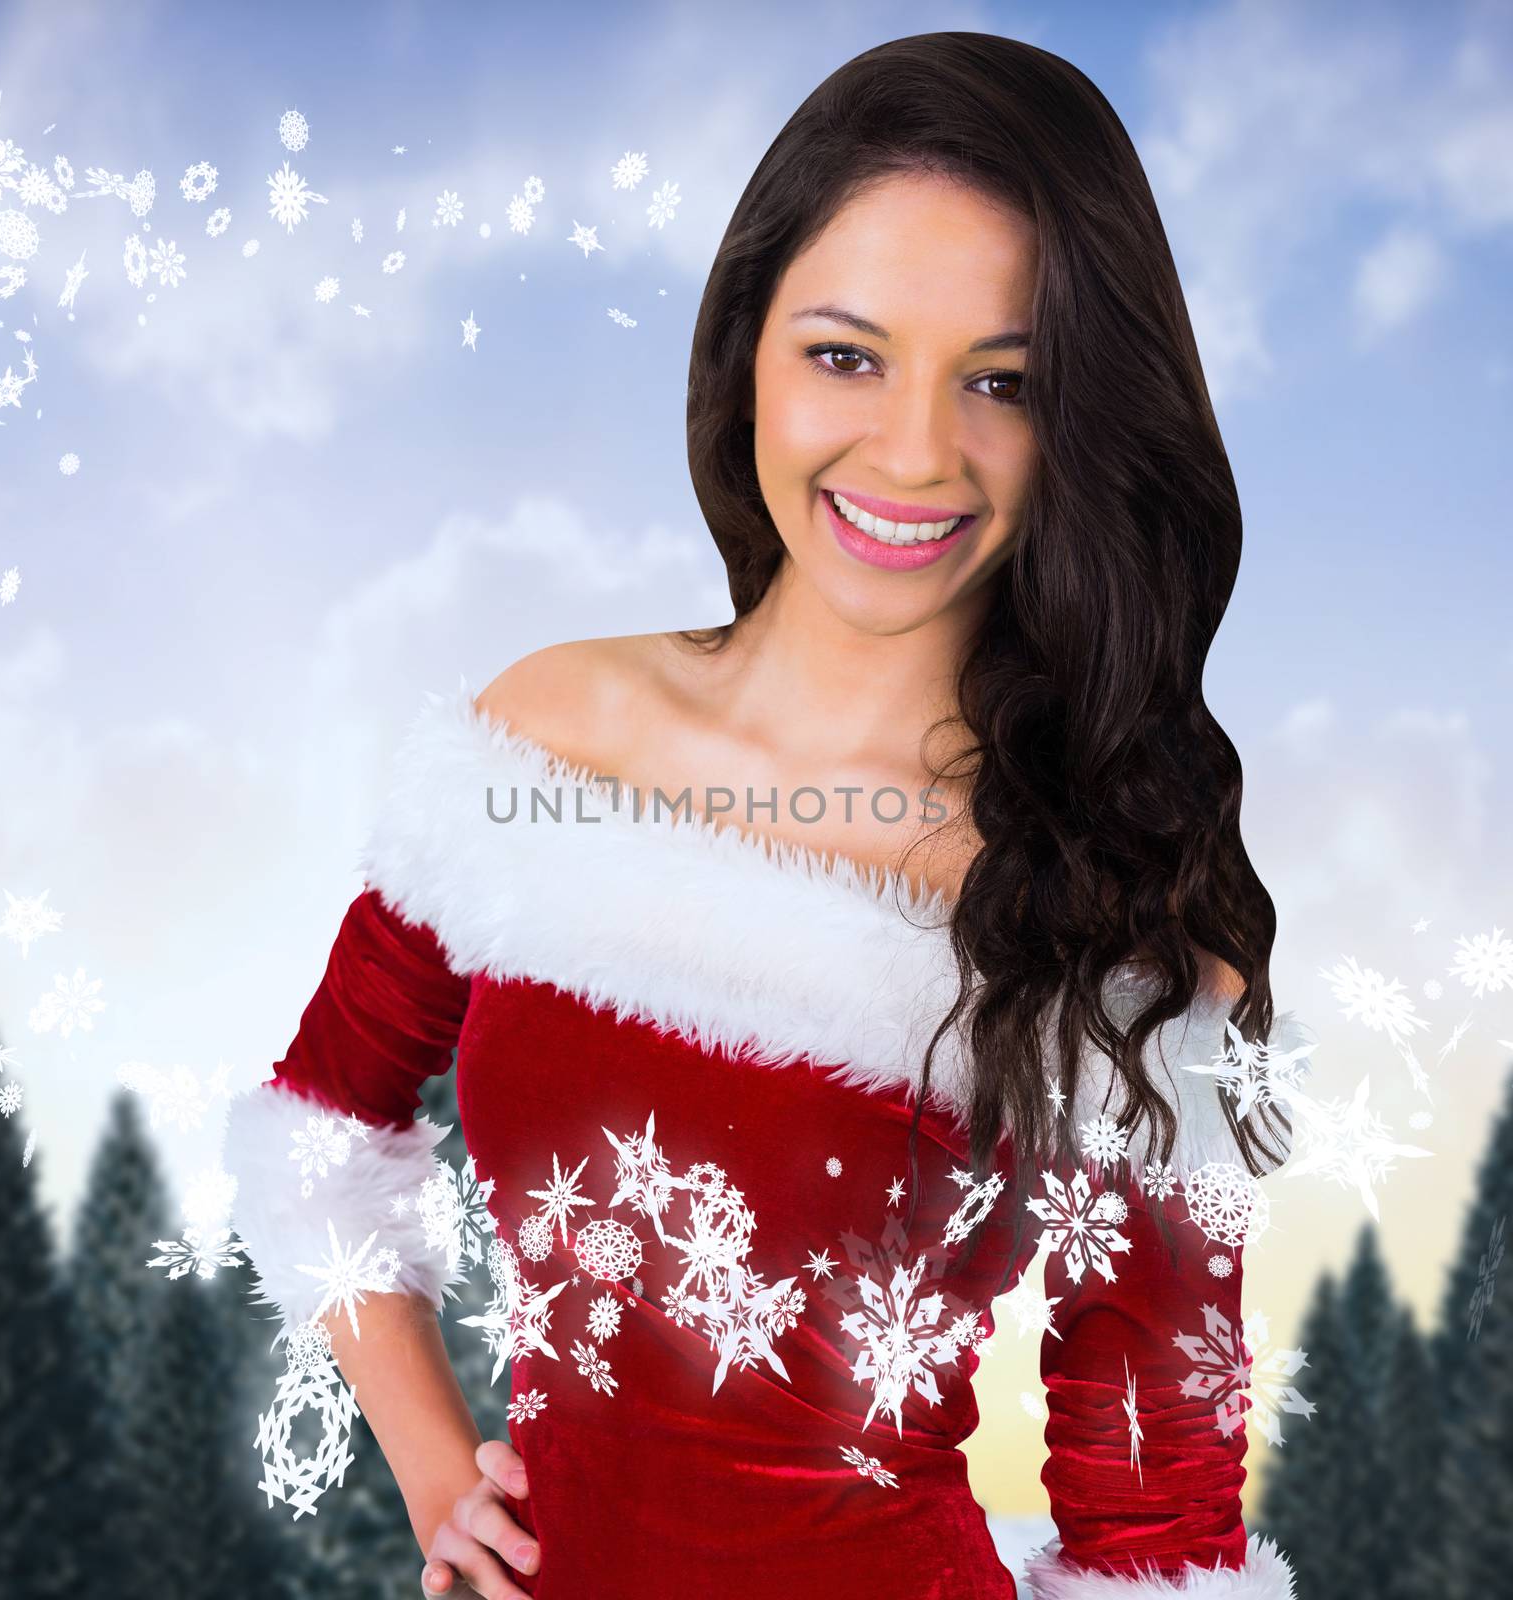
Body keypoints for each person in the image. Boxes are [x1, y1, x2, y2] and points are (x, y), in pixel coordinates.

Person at [222, 31, 1314, 1600]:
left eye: (1002, 381)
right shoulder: (546, 732)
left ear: (1082, 422)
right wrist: (436, 1473)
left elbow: (1155, 1509)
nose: (916, 452)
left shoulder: (1125, 890)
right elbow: (323, 1130)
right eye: (846, 354)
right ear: (746, 351)